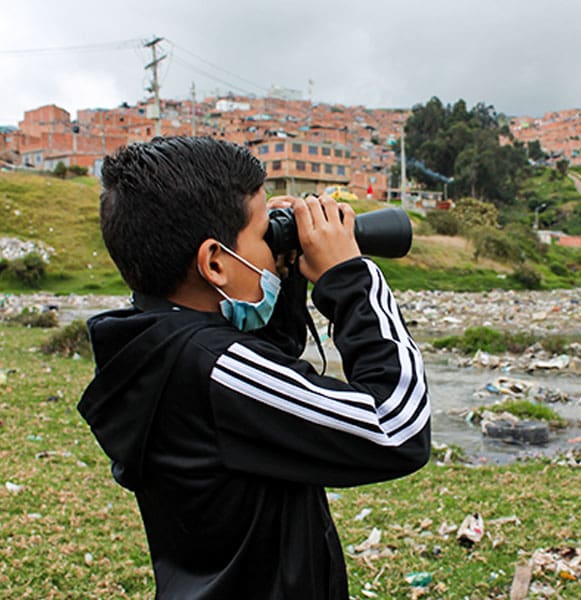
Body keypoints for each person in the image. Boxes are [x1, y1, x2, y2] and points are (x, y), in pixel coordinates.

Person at [78, 136, 431, 599]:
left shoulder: (158, 348)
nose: (275, 240)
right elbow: (396, 428)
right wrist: (352, 279)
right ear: (215, 263)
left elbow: (270, 367)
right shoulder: (215, 367)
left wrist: (281, 276)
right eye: (264, 232)